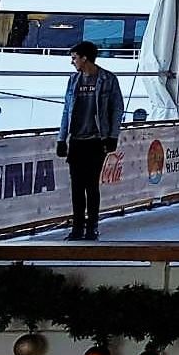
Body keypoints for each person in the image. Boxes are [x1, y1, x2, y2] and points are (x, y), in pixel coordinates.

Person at [56, 41, 124, 241]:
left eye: (74, 58)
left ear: (84, 58)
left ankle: (92, 226)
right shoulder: (73, 80)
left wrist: (112, 136)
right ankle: (77, 226)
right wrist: (62, 138)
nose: (73, 62)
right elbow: (66, 110)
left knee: (91, 185)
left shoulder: (108, 79)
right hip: (76, 140)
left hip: (96, 140)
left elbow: (116, 109)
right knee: (77, 186)